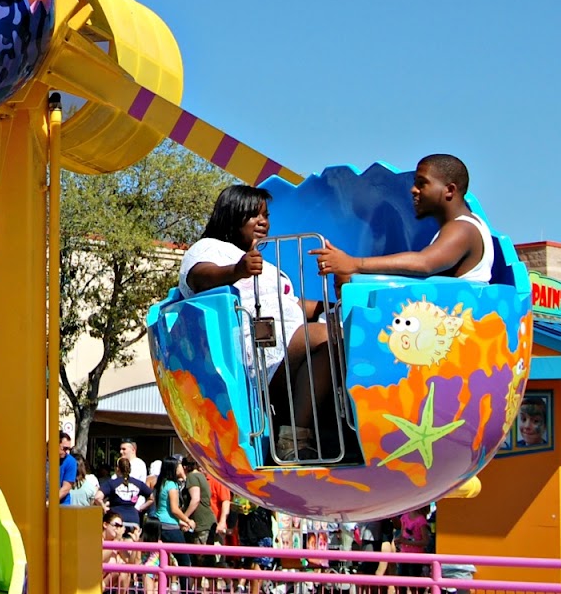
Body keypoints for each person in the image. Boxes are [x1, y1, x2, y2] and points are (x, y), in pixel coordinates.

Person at [181, 184, 334, 461]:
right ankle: (293, 439)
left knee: (342, 334)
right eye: (254, 215)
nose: (263, 221)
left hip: (291, 338)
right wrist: (237, 270)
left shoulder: (271, 266)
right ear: (232, 215)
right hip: (260, 348)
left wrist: (334, 304)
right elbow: (199, 277)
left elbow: (292, 303)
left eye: (266, 215)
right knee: (324, 337)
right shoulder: (209, 248)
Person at [313, 154, 493, 284]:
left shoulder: (462, 228)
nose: (413, 190)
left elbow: (424, 263)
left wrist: (354, 263)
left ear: (450, 190)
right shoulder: (462, 225)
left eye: (422, 183)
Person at [100, 456, 151, 534]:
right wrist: (140, 508)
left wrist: (104, 508)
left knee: (115, 545)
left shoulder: (111, 483)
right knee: (131, 545)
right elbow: (152, 498)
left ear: (117, 469)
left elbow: (97, 497)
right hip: (133, 520)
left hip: (116, 520)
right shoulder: (138, 483)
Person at [182, 456, 216, 550]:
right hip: (206, 522)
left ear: (185, 467)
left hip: (202, 524)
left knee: (202, 555)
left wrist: (184, 518)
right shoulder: (200, 476)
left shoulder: (192, 477)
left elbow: (195, 499)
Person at [58, 431, 78, 501]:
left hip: (61, 505)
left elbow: (66, 488)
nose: (67, 452)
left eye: (69, 449)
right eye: (65, 448)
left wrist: (49, 502)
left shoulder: (70, 461)